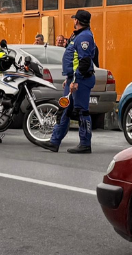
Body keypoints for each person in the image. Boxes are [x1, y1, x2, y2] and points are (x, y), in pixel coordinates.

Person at [41, 10, 97, 154]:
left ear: (77, 21)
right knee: (64, 109)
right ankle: (54, 142)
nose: (73, 21)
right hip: (73, 79)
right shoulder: (78, 35)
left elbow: (84, 62)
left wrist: (76, 80)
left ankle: (85, 144)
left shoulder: (85, 37)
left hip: (81, 81)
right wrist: (69, 79)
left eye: (74, 19)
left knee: (82, 111)